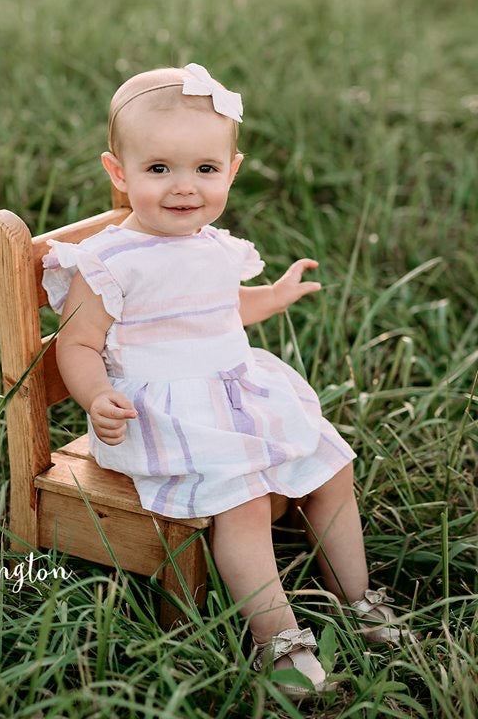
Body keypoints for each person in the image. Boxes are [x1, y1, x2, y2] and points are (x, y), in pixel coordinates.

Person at [41, 63, 415, 700]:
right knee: (240, 502)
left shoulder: (211, 244)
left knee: (332, 468)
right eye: (159, 169)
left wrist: (271, 295)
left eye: (205, 170)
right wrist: (95, 395)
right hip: (157, 415)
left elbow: (218, 307)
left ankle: (359, 599)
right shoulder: (105, 259)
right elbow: (77, 343)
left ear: (231, 170)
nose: (184, 188)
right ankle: (279, 638)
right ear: (118, 173)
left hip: (233, 390)